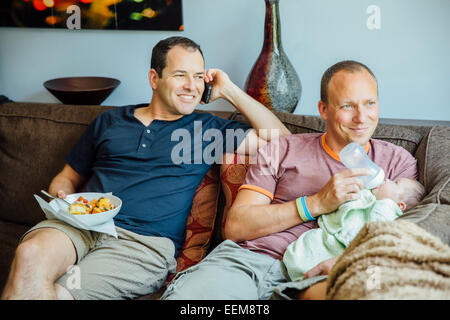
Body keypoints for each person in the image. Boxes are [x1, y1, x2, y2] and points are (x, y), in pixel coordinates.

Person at [1, 36, 290, 300]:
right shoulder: (110, 121)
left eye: (199, 76)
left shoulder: (207, 131)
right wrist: (62, 197)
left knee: (63, 293)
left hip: (142, 245)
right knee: (29, 254)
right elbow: (66, 177)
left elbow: (283, 142)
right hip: (79, 224)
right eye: (180, 75)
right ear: (154, 78)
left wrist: (229, 90)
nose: (192, 85)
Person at [161, 60, 419, 300]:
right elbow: (236, 226)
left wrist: (350, 262)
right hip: (249, 262)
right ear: (324, 110)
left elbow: (405, 236)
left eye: (370, 104)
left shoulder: (398, 162)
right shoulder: (282, 148)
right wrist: (315, 203)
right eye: (347, 106)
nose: (362, 117)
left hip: (325, 268)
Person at [283, 177, 425, 282]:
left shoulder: (386, 209)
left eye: (394, 182)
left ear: (400, 206)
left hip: (342, 250)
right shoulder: (371, 198)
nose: (387, 179)